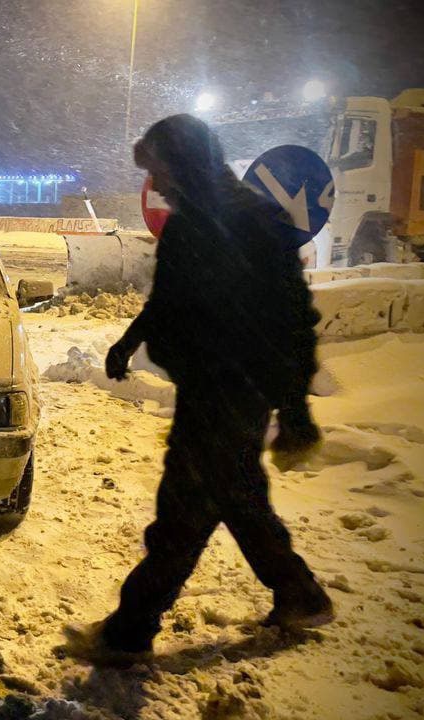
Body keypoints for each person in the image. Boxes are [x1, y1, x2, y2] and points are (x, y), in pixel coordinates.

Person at [69, 114, 331, 663]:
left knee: (182, 516)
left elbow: (291, 321)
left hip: (227, 395)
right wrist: (129, 339)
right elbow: (172, 302)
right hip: (210, 392)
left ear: (184, 162)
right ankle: (300, 594)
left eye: (159, 169)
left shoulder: (249, 224)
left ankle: (130, 630)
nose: (156, 183)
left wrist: (296, 408)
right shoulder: (196, 223)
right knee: (238, 499)